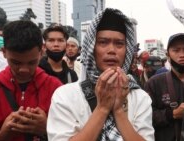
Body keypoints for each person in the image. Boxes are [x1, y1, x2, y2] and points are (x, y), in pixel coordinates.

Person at [47, 8, 154, 141]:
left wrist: (119, 111)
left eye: (119, 44)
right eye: (103, 42)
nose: (111, 50)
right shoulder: (65, 96)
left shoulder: (140, 98)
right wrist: (102, 108)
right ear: (91, 48)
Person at [0, 20, 62, 141]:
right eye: (16, 62)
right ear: (4, 52)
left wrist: (47, 128)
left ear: (42, 52)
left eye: (32, 62)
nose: (24, 70)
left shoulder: (56, 88)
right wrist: (2, 135)